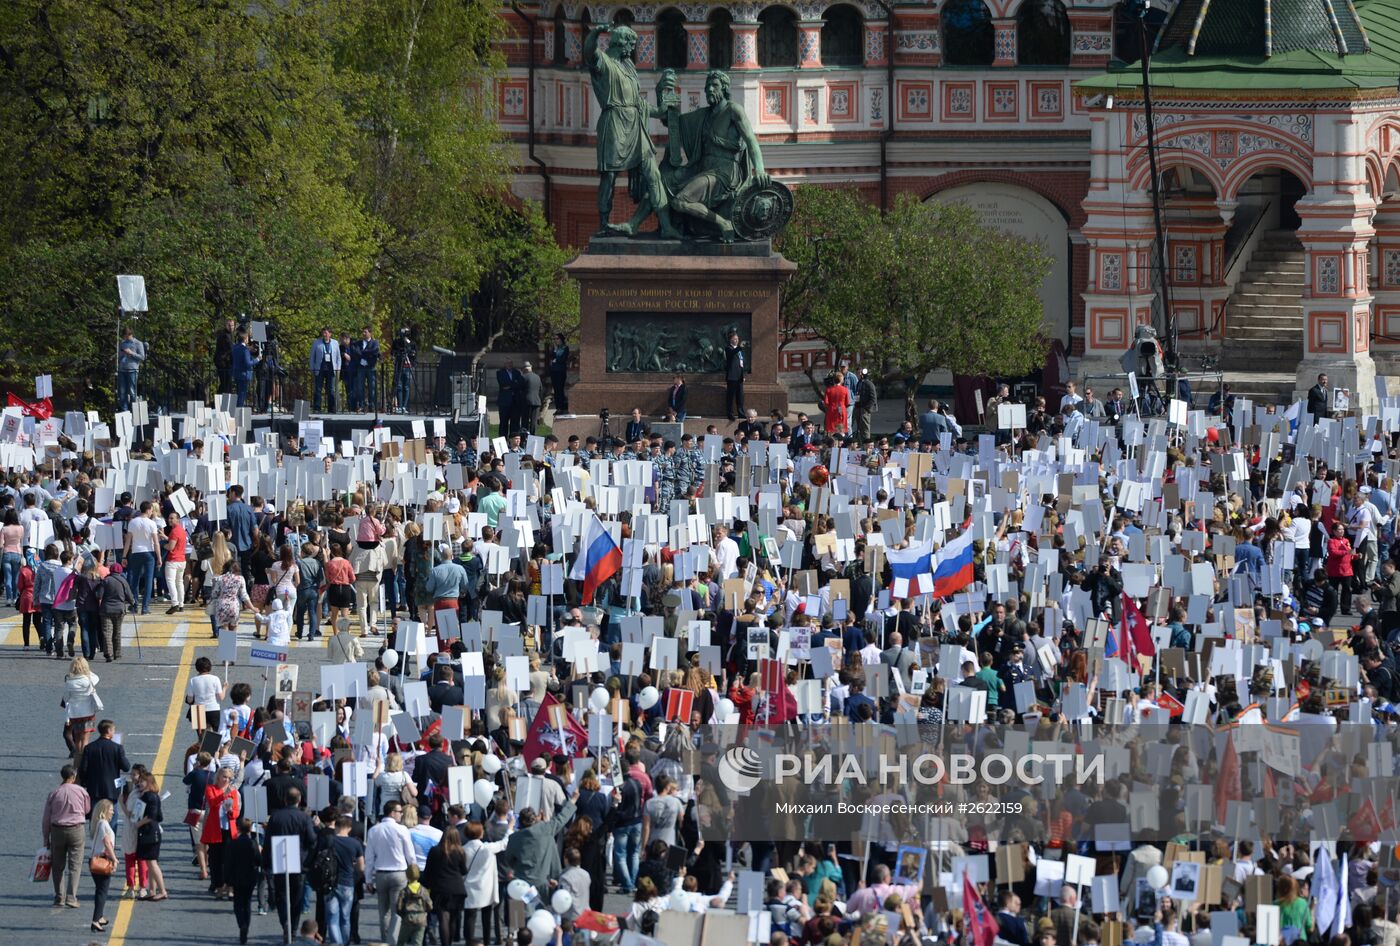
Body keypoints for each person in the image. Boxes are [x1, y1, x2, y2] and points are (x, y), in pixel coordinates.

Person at [266, 786, 317, 939]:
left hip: (279, 857)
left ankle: (284, 922)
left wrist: (266, 862)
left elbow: (268, 841)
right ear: (299, 800)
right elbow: (312, 840)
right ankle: (294, 927)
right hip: (299, 861)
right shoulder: (304, 817)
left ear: (284, 800)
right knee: (297, 897)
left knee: (281, 895)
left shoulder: (275, 817)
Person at [366, 800, 417, 945]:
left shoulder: (374, 830)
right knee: (397, 912)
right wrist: (413, 875)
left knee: (384, 912)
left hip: (381, 873)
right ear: (392, 812)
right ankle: (393, 941)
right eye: (400, 812)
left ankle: (385, 941)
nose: (401, 814)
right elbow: (410, 855)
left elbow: (369, 857)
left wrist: (368, 879)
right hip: (399, 874)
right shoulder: (402, 830)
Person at [43, 763, 91, 909]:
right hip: (76, 829)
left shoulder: (54, 793)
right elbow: (87, 809)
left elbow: (46, 818)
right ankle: (71, 897)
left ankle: (59, 896)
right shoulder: (81, 791)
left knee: (58, 866)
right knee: (75, 865)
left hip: (57, 830)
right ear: (73, 776)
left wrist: (46, 838)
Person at [321, 815, 364, 946]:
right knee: (345, 917)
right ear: (349, 828)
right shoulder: (355, 843)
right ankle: (345, 943)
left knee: (332, 917)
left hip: (330, 882)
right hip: (347, 883)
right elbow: (361, 867)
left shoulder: (328, 840)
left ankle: (336, 943)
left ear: (336, 826)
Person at [203, 766, 241, 899]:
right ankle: (218, 887)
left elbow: (236, 812)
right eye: (224, 777)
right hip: (215, 830)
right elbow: (212, 802)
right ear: (218, 777)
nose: (226, 780)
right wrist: (224, 795)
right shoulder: (211, 788)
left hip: (229, 830)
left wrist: (231, 811)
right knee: (215, 861)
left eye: (229, 778)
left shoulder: (234, 792)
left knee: (230, 861)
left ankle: (230, 887)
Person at [226, 816, 263, 945]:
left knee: (238, 904)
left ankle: (241, 924)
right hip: (251, 877)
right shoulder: (253, 843)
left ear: (238, 828)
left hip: (237, 877)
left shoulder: (233, 843)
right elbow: (259, 861)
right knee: (247, 903)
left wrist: (227, 880)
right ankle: (246, 925)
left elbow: (229, 863)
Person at [133, 769, 169, 901]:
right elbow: (159, 816)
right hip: (152, 832)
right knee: (150, 863)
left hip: (149, 832)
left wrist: (139, 823)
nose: (139, 783)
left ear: (148, 782)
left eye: (142, 781)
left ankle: (162, 890)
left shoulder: (149, 796)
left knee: (152, 863)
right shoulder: (153, 795)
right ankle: (152, 890)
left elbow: (152, 815)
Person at [78, 719, 130, 806]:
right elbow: (126, 767)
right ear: (109, 731)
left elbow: (83, 769)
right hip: (111, 789)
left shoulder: (89, 748)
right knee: (111, 815)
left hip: (94, 789)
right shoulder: (117, 748)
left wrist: (85, 782)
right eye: (113, 730)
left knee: (95, 816)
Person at [62, 656, 102, 761]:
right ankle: (84, 760)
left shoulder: (69, 682)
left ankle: (78, 759)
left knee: (78, 738)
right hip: (88, 713)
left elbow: (65, 698)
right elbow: (96, 677)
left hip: (75, 714)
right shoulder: (89, 680)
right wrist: (87, 671)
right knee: (85, 738)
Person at [88, 798, 117, 934]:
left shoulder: (98, 823)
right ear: (105, 811)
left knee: (100, 889)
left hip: (94, 860)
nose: (113, 812)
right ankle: (95, 920)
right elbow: (107, 842)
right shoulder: (104, 823)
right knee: (102, 892)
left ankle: (99, 916)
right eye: (111, 810)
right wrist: (114, 859)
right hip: (102, 860)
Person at [98, 563, 133, 659]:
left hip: (106, 610)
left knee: (107, 632)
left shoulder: (106, 580)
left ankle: (108, 653)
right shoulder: (123, 581)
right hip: (119, 610)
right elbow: (129, 596)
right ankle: (117, 653)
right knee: (117, 632)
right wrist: (133, 603)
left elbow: (99, 595)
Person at [163, 510, 188, 614]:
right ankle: (181, 604)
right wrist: (165, 537)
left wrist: (163, 545)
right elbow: (175, 542)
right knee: (179, 582)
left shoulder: (174, 531)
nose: (169, 520)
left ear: (178, 519)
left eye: (172, 518)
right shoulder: (182, 530)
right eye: (169, 518)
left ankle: (175, 603)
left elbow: (170, 546)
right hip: (182, 559)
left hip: (173, 560)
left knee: (171, 582)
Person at [311, 327, 341, 414]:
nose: (324, 335)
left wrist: (338, 368)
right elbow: (312, 357)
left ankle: (331, 409)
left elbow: (338, 357)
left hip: (331, 369)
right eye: (323, 333)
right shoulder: (316, 343)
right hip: (319, 369)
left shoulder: (335, 343)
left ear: (330, 334)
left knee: (331, 389)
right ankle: (317, 408)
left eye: (326, 333)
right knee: (318, 389)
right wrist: (312, 368)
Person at [353, 326, 380, 413]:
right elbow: (356, 352)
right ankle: (361, 405)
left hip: (371, 367)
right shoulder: (358, 343)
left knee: (372, 387)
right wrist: (368, 353)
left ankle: (371, 405)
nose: (364, 334)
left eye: (365, 332)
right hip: (361, 367)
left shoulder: (375, 343)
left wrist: (363, 353)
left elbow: (374, 351)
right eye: (363, 332)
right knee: (360, 387)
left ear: (370, 333)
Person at [117, 326, 145, 412]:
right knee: (122, 392)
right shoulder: (123, 343)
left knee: (132, 392)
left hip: (132, 370)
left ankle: (134, 412)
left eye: (126, 336)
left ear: (130, 334)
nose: (125, 338)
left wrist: (131, 353)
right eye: (124, 336)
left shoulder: (138, 343)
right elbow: (119, 357)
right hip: (122, 370)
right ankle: (124, 411)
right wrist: (122, 354)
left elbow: (142, 357)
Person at [231, 329, 259, 408]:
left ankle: (237, 409)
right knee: (242, 394)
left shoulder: (235, 347)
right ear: (245, 338)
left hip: (236, 373)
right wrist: (257, 359)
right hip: (244, 374)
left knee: (238, 393)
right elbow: (248, 363)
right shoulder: (245, 350)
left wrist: (249, 349)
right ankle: (239, 410)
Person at [391, 327, 416, 414]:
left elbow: (413, 355)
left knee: (406, 387)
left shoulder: (411, 343)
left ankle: (404, 406)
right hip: (399, 366)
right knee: (399, 386)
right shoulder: (396, 342)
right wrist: (395, 355)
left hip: (407, 367)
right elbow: (393, 352)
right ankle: (400, 406)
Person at [496, 360, 522, 438]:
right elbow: (503, 383)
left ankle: (513, 439)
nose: (510, 365)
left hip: (515, 402)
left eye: (511, 363)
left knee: (515, 423)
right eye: (508, 363)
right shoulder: (500, 372)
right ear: (505, 364)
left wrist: (510, 386)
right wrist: (514, 384)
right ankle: (503, 440)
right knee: (504, 422)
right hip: (504, 402)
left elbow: (520, 383)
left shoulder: (517, 372)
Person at [724, 330, 746, 420]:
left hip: (739, 376)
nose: (736, 340)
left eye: (737, 339)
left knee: (740, 396)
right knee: (731, 396)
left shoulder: (739, 351)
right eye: (734, 339)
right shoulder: (728, 348)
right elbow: (732, 354)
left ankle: (740, 412)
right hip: (732, 376)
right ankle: (730, 413)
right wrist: (739, 347)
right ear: (730, 340)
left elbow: (741, 364)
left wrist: (743, 375)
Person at [519, 360, 543, 435]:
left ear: (523, 369)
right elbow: (541, 389)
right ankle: (533, 436)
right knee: (534, 422)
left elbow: (519, 389)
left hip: (526, 402)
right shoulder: (537, 377)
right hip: (536, 401)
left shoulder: (523, 377)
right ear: (531, 368)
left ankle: (524, 438)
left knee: (525, 422)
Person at [854, 368, 878, 441]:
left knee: (865, 429)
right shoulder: (859, 383)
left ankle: (867, 443)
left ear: (862, 374)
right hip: (858, 408)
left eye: (858, 373)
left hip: (864, 409)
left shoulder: (869, 383)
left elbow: (873, 398)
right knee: (860, 428)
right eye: (857, 373)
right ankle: (862, 443)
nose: (857, 375)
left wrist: (867, 408)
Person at [548, 333, 570, 414]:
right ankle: (558, 407)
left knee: (560, 389)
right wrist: (554, 354)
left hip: (560, 371)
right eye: (554, 339)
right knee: (556, 390)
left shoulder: (565, 348)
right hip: (554, 371)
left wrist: (555, 360)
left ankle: (561, 407)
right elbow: (551, 357)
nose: (555, 340)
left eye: (557, 338)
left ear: (561, 339)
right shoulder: (555, 348)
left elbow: (562, 359)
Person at [215, 318, 237, 394]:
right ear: (226, 325)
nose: (231, 327)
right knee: (225, 383)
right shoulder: (225, 335)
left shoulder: (229, 334)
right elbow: (230, 347)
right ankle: (219, 401)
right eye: (229, 325)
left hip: (225, 362)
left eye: (232, 325)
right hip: (223, 362)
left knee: (226, 383)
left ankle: (220, 400)